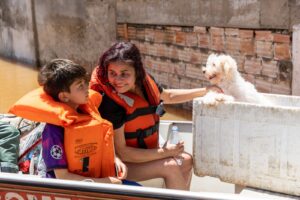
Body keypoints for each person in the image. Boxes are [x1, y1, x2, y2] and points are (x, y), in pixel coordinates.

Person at [90, 41, 222, 190]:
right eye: (112, 73)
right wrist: (165, 152)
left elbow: (169, 96)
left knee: (186, 160)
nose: (117, 81)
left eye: (124, 74)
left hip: (143, 153)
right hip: (122, 164)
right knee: (170, 166)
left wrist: (207, 90)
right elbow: (123, 153)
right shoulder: (110, 102)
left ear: (137, 72)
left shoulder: (145, 83)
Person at [10, 59, 127, 184]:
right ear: (64, 96)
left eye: (85, 83)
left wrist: (115, 160)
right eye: (79, 86)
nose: (86, 88)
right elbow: (62, 177)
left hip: (97, 180)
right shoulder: (53, 130)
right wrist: (105, 182)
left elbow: (101, 148)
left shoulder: (88, 113)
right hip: (69, 189)